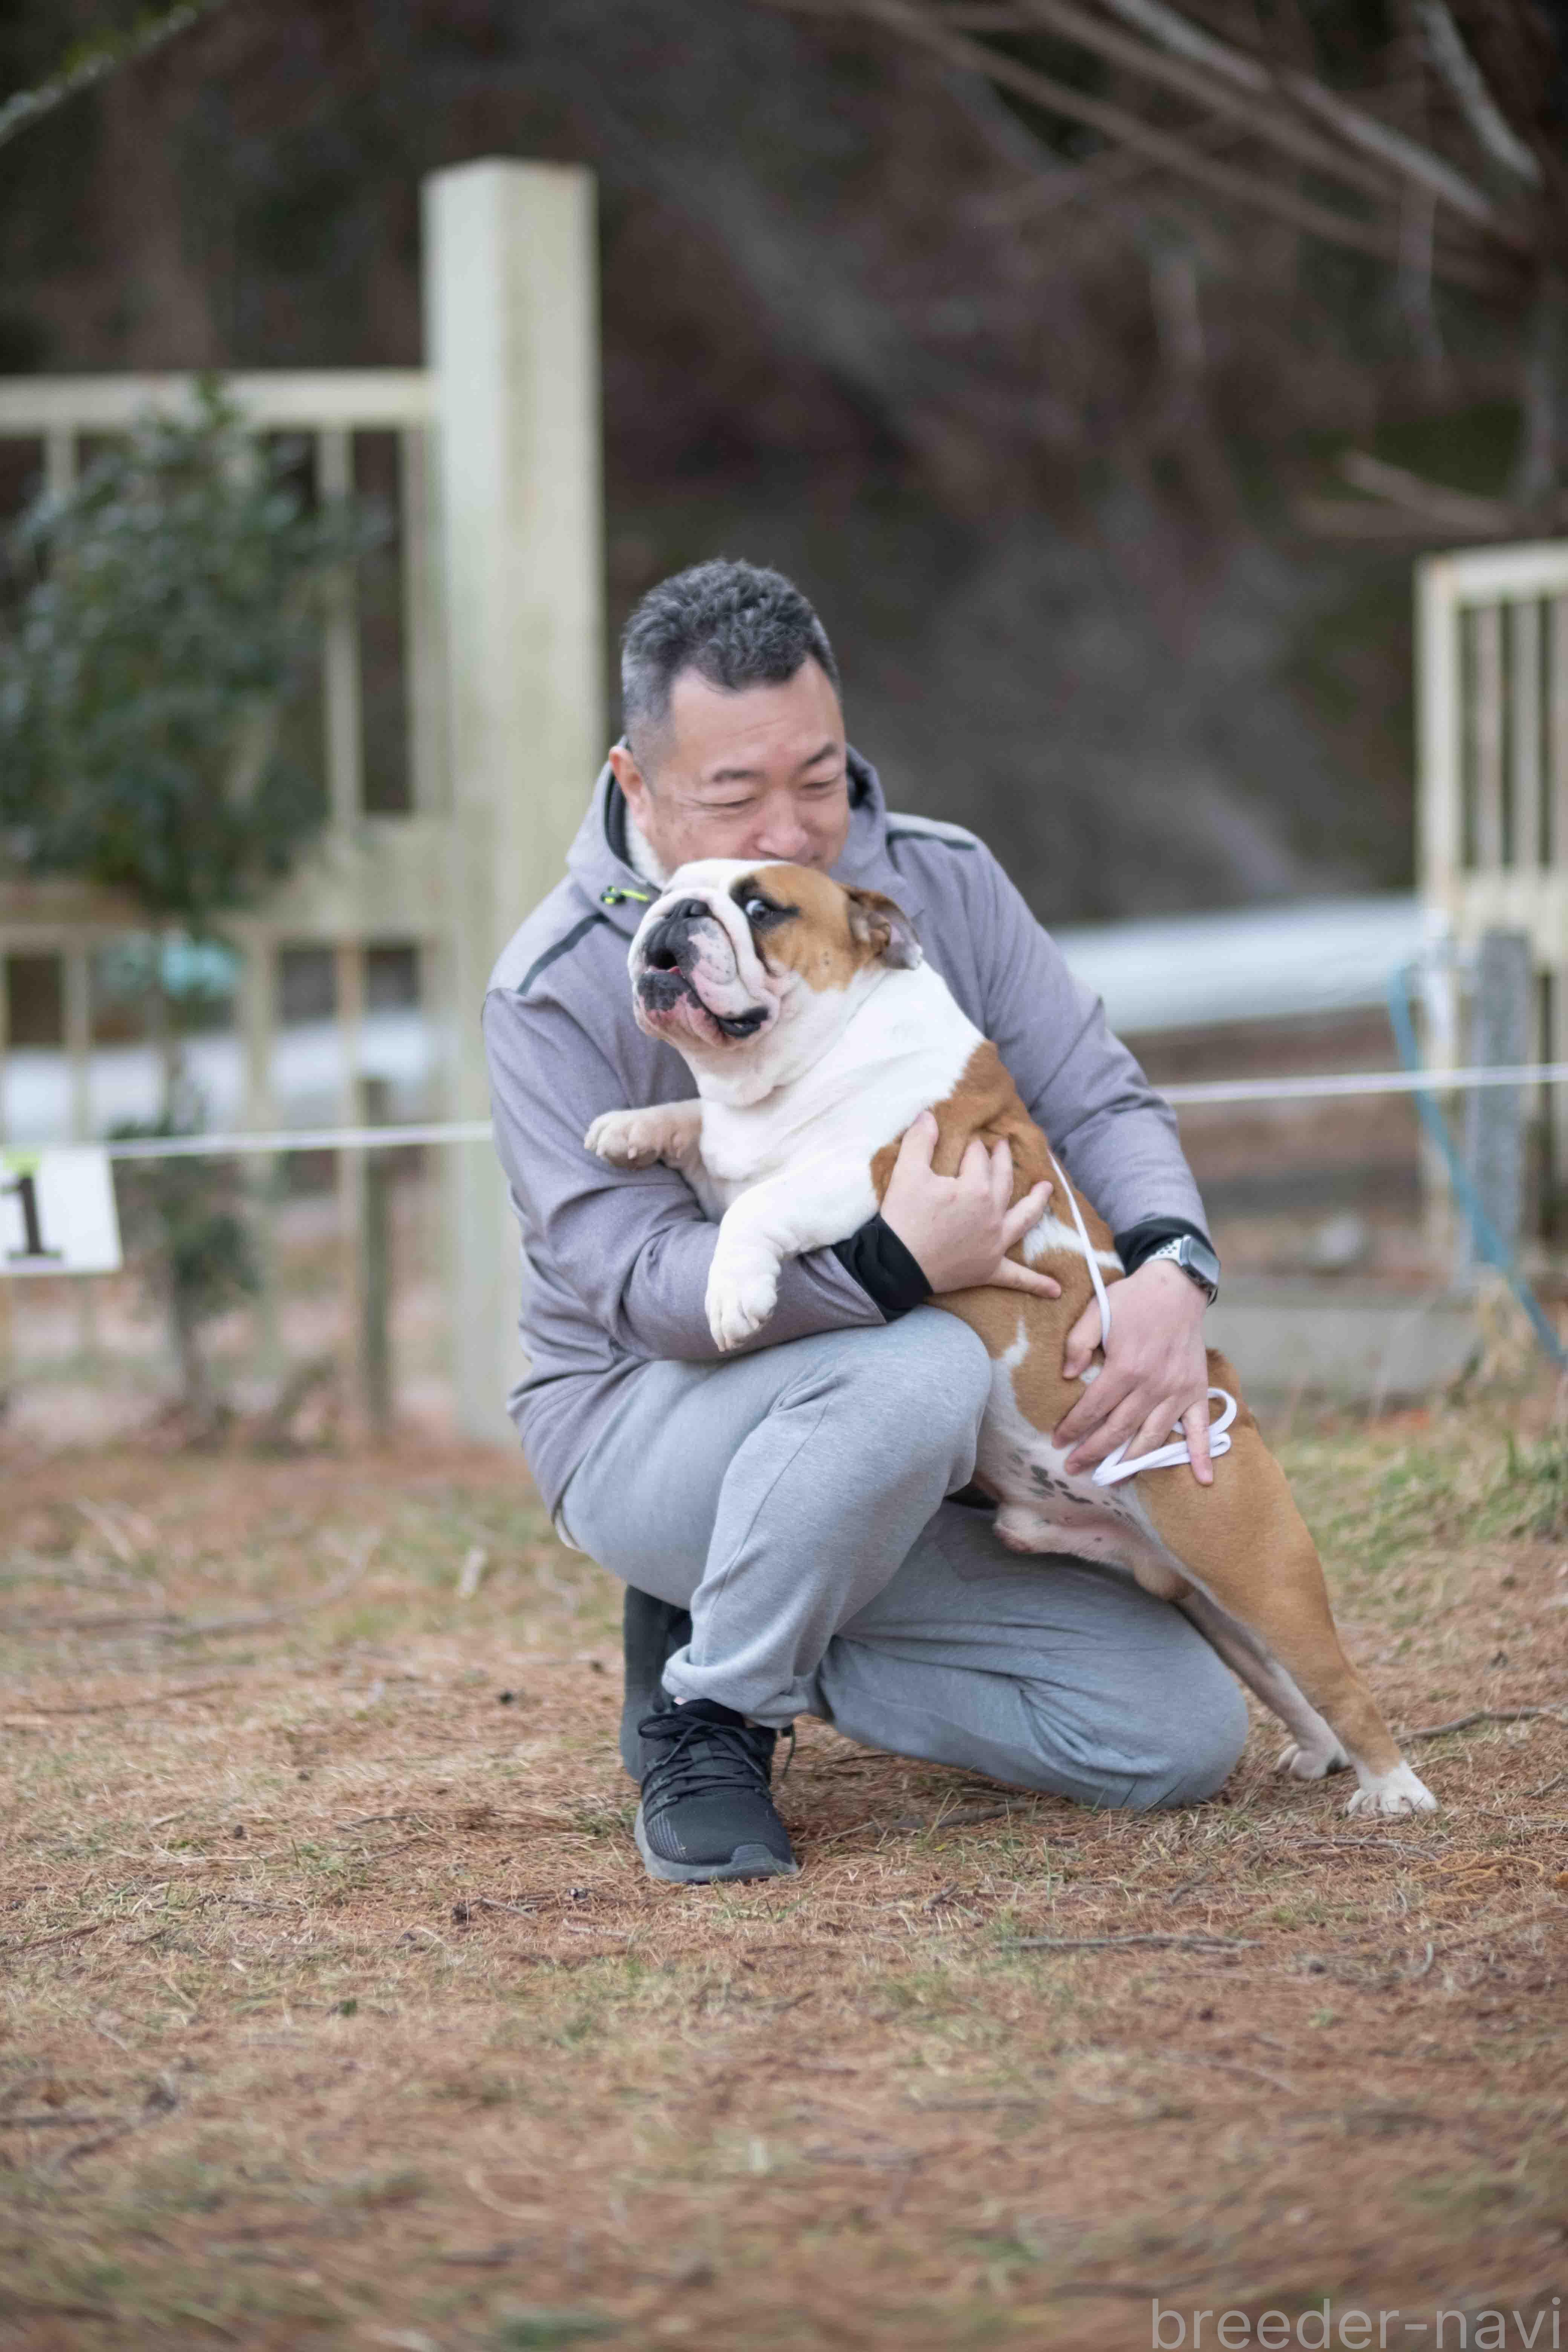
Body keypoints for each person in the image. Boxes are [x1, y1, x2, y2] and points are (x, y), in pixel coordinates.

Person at [483, 559, 1248, 1884]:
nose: (791, 830)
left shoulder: (938, 884)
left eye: (821, 779)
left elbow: (1098, 1093)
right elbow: (634, 1283)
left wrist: (1174, 1269)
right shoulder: (552, 984)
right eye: (735, 794)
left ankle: (758, 1616)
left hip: (923, 1447)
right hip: (647, 1415)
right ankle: (709, 1710)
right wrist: (895, 1264)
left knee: (1175, 1738)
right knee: (924, 1361)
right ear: (637, 784)